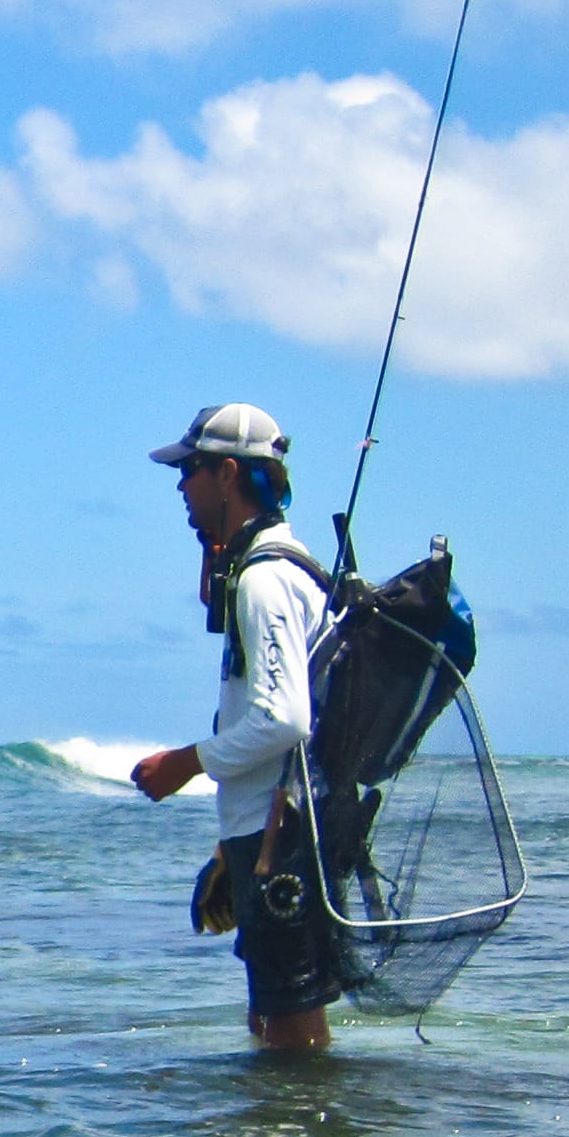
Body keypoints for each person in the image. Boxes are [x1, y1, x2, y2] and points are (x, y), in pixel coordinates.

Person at [131, 402, 344, 1054]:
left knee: (289, 1031)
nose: (179, 485)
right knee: (275, 1021)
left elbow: (285, 719)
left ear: (226, 475)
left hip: (282, 837)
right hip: (274, 827)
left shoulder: (266, 581)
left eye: (190, 469)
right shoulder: (277, 569)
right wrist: (230, 845)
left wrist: (185, 763)